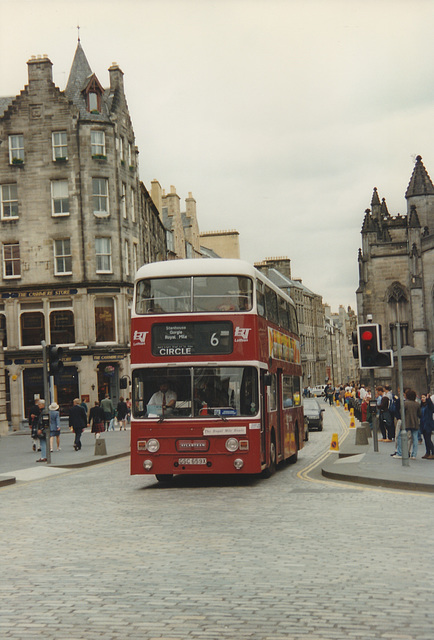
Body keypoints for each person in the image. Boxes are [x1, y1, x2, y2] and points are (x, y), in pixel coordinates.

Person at [404, 389, 421, 459]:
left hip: (406, 422)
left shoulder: (405, 403)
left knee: (406, 438)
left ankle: (406, 452)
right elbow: (419, 414)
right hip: (415, 422)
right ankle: (414, 454)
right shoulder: (417, 404)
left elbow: (401, 412)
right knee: (415, 438)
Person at [420, 393, 434, 459]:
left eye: (424, 397)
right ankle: (427, 452)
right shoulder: (422, 406)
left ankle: (433, 452)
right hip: (423, 424)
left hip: (428, 424)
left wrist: (428, 399)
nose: (422, 399)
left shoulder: (429, 406)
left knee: (428, 439)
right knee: (425, 439)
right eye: (422, 397)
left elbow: (431, 406)